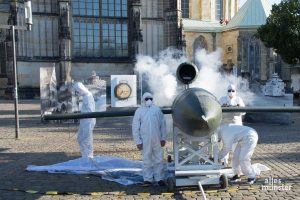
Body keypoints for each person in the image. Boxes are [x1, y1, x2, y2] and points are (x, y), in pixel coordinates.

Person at [132, 92, 167, 187]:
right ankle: (147, 179)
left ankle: (159, 178)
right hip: (145, 139)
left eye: (150, 98)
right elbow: (135, 127)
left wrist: (163, 138)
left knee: (159, 159)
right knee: (146, 159)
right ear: (143, 99)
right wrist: (138, 141)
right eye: (147, 98)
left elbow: (162, 125)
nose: (149, 100)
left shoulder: (157, 110)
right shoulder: (139, 111)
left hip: (157, 139)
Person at [73, 82, 96, 159]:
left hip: (88, 121)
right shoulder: (86, 96)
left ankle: (88, 156)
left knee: (86, 139)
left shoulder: (88, 96)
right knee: (80, 138)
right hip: (84, 120)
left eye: (78, 91)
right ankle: (84, 155)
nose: (77, 93)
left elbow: (90, 111)